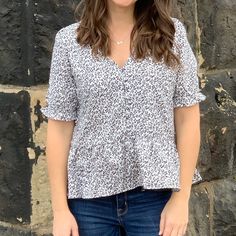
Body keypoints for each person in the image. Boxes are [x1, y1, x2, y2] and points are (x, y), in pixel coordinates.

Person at [41, 0, 207, 235]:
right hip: (89, 200)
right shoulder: (70, 42)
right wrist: (59, 210)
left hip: (154, 198)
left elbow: (187, 119)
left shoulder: (172, 35)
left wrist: (181, 201)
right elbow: (59, 128)